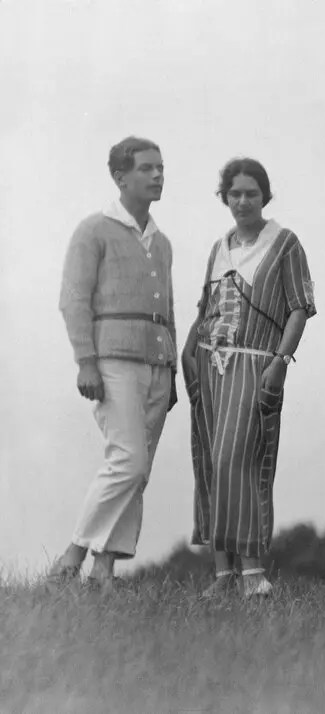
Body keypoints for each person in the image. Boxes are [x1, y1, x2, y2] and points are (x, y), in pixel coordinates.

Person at [181, 158, 315, 599]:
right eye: (234, 193)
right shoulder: (219, 247)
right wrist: (188, 355)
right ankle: (223, 575)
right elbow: (205, 309)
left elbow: (299, 308)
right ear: (225, 197)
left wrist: (281, 360)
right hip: (207, 362)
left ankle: (253, 571)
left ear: (265, 196)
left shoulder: (285, 243)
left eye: (251, 193)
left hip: (256, 361)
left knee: (238, 459)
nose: (242, 201)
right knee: (210, 463)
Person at [51, 136, 176, 589]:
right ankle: (71, 557)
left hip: (158, 364)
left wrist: (172, 372)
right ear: (120, 177)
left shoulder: (161, 241)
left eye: (160, 167)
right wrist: (85, 361)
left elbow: (169, 309)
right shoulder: (93, 230)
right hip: (112, 360)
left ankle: (103, 570)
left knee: (138, 472)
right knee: (128, 461)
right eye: (146, 168)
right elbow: (73, 299)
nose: (157, 175)